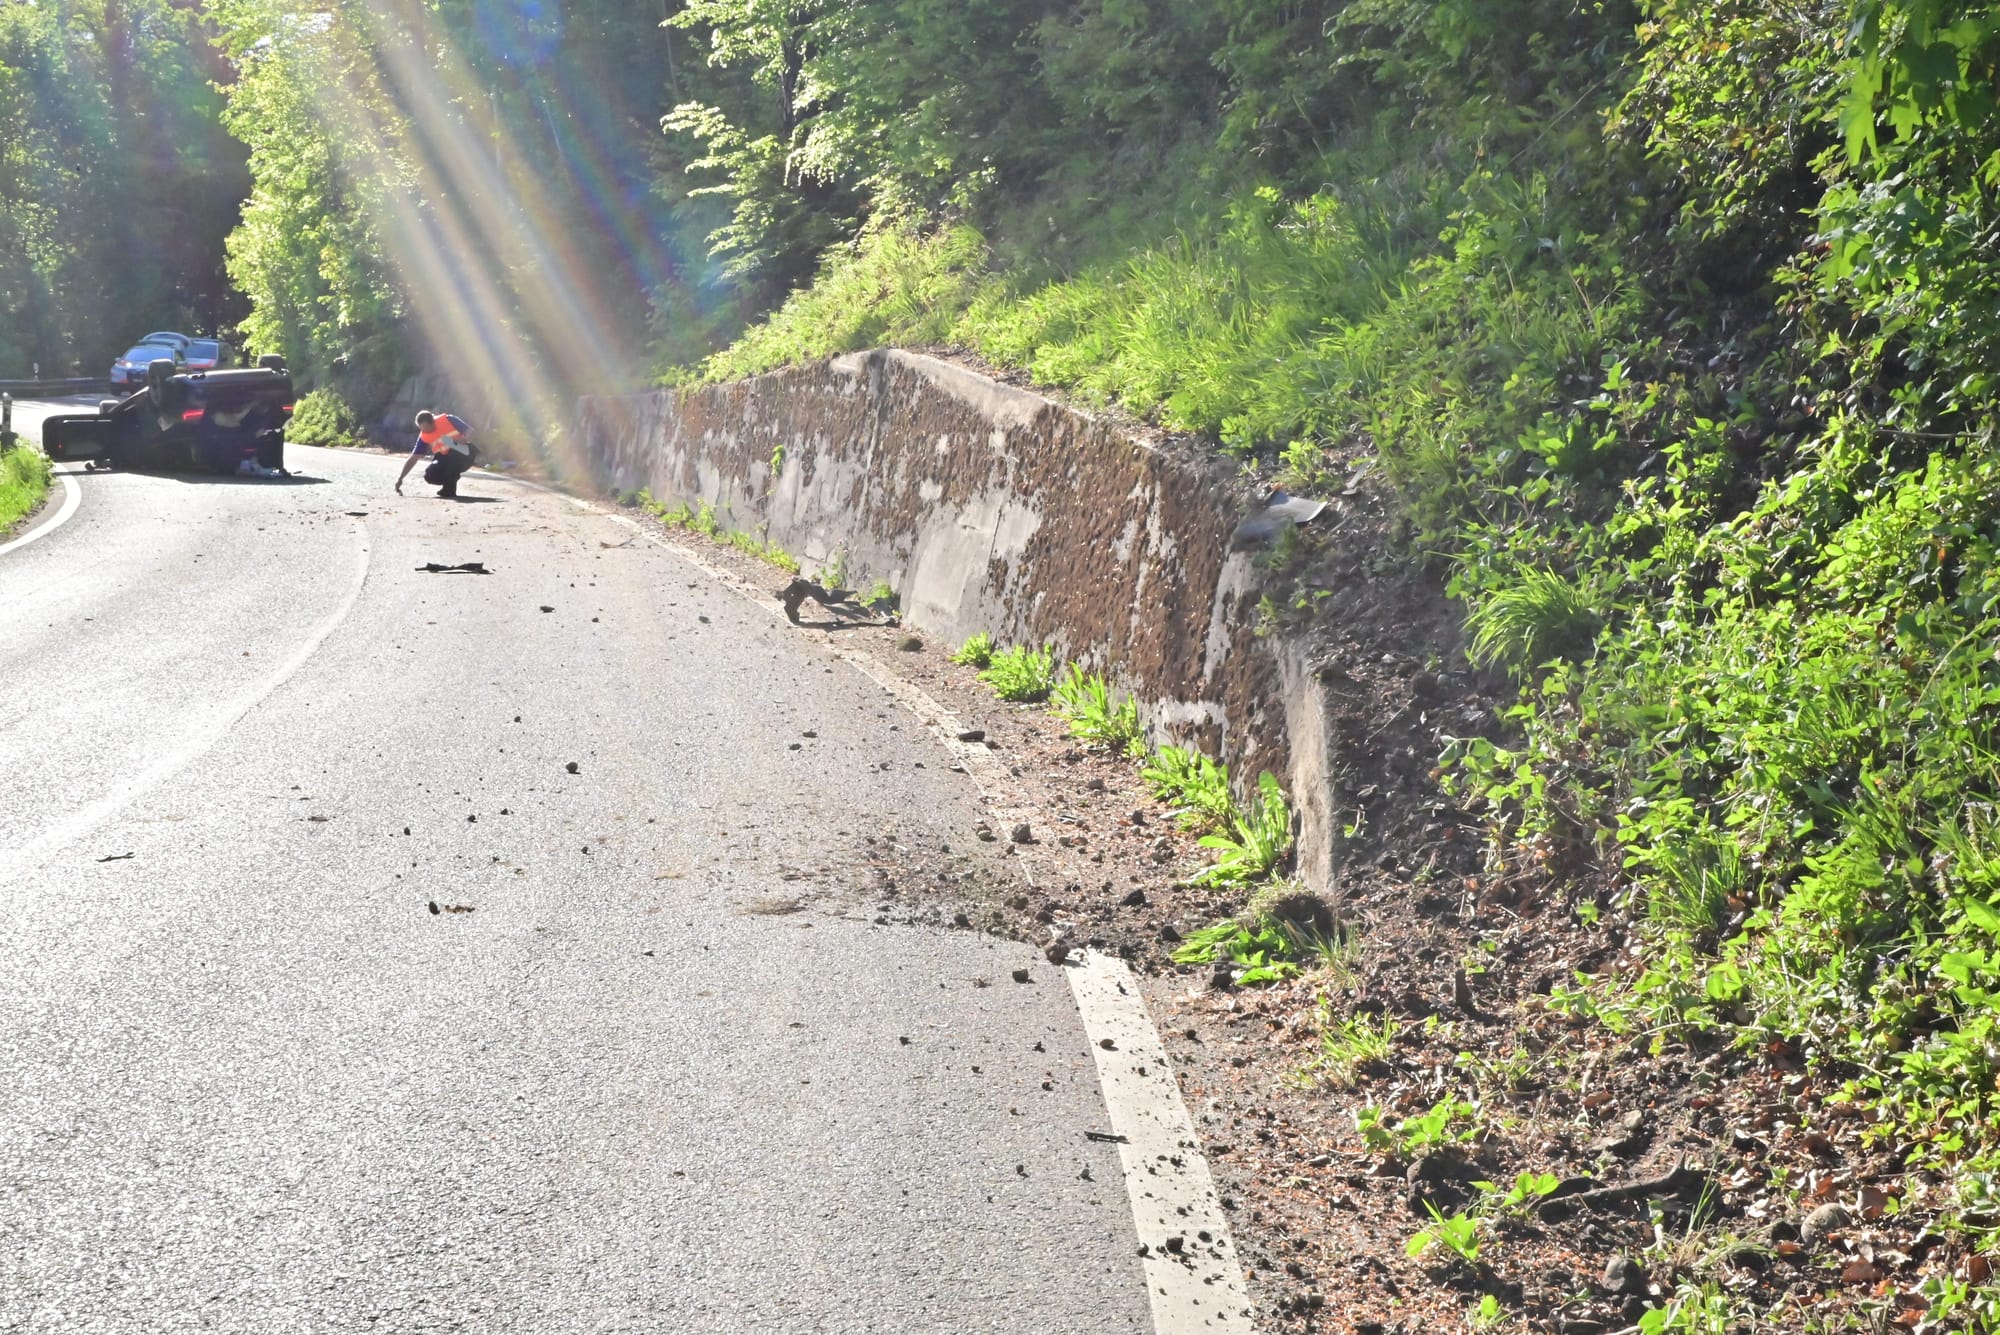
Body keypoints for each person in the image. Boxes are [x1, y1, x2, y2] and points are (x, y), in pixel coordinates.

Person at [395, 410, 476, 498]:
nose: (424, 431)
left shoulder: (449, 419)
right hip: (446, 458)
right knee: (430, 474)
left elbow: (471, 431)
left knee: (452, 453)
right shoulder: (424, 436)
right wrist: (400, 478)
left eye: (426, 428)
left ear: (433, 422)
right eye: (422, 429)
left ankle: (449, 488)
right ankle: (448, 485)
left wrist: (464, 440)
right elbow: (414, 457)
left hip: (465, 455)